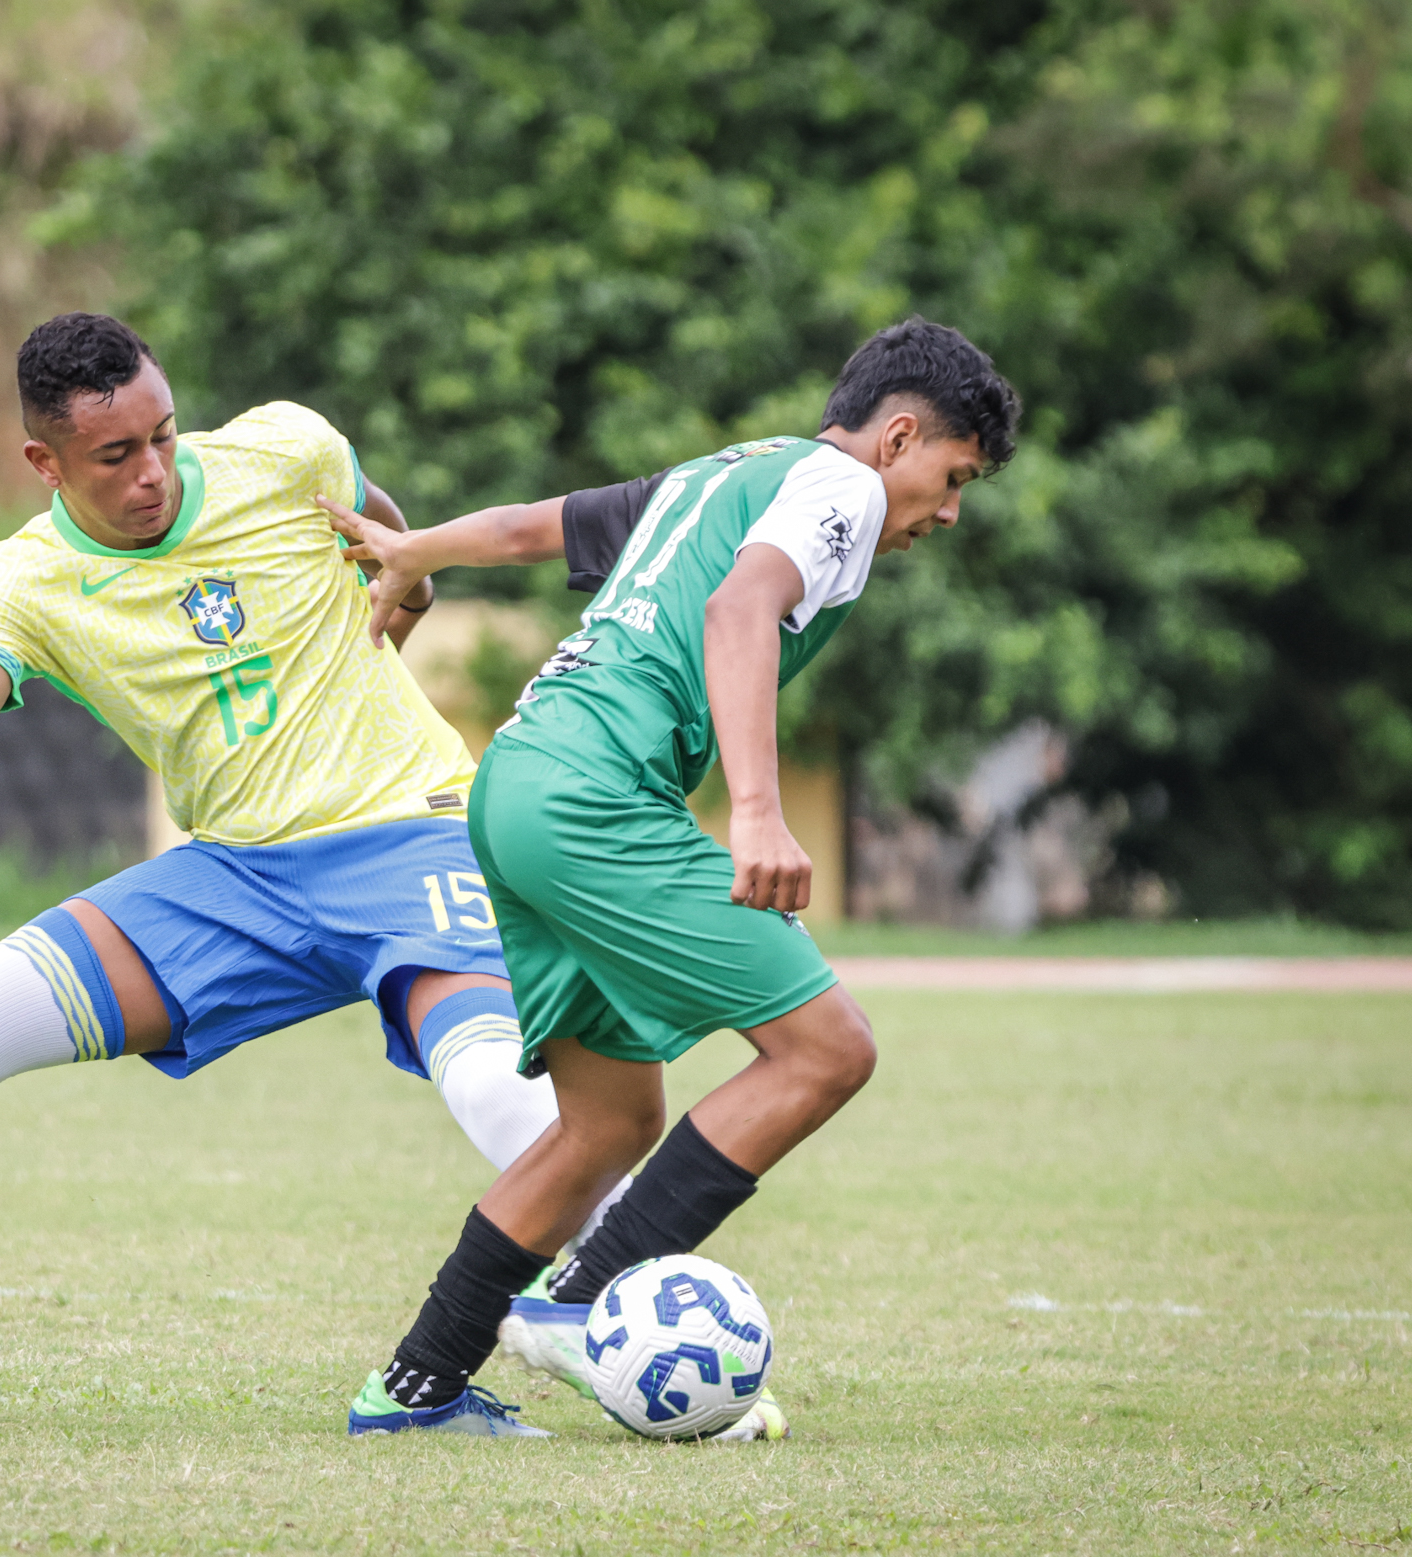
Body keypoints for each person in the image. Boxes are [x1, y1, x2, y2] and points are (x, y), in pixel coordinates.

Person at [0, 313, 623, 1427]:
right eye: (115, 456)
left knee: (498, 1085)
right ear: (45, 463)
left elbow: (396, 551)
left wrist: (398, 603)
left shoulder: (286, 449)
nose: (154, 472)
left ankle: (635, 1350)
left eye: (164, 436)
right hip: (233, 882)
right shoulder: (24, 583)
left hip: (408, 830)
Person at [322, 318, 1021, 1438]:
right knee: (828, 1049)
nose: (945, 512)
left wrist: (419, 552)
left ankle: (414, 1386)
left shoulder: (731, 470)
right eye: (953, 477)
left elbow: (534, 526)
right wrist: (754, 813)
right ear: (898, 436)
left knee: (606, 1123)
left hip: (517, 784)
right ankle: (584, 1300)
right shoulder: (837, 489)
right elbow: (737, 609)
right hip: (594, 798)